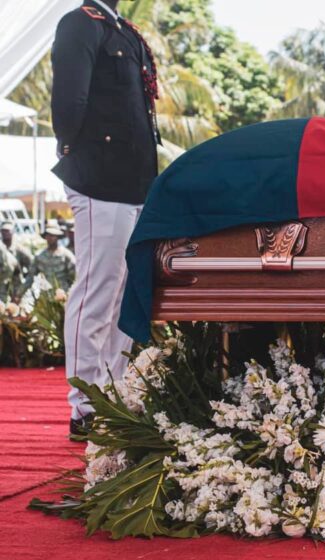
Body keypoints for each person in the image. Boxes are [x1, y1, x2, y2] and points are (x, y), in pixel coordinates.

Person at [51, 0, 160, 435]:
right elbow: (68, 104)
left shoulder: (125, 31)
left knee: (123, 294)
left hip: (133, 180)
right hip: (98, 175)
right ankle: (85, 404)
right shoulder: (79, 24)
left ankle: (114, 395)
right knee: (97, 288)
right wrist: (77, 153)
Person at [20, 227, 76, 294]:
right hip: (46, 295)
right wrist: (18, 295)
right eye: (48, 235)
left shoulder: (66, 255)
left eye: (52, 236)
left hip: (64, 293)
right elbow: (30, 277)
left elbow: (74, 277)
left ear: (57, 238)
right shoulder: (39, 256)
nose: (50, 238)